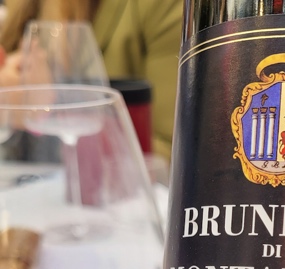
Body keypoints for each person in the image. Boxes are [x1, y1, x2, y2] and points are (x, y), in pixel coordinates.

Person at [0, 0, 183, 160]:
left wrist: (49, 113)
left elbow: (172, 153)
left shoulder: (160, 6)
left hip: (111, 186)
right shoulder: (18, 7)